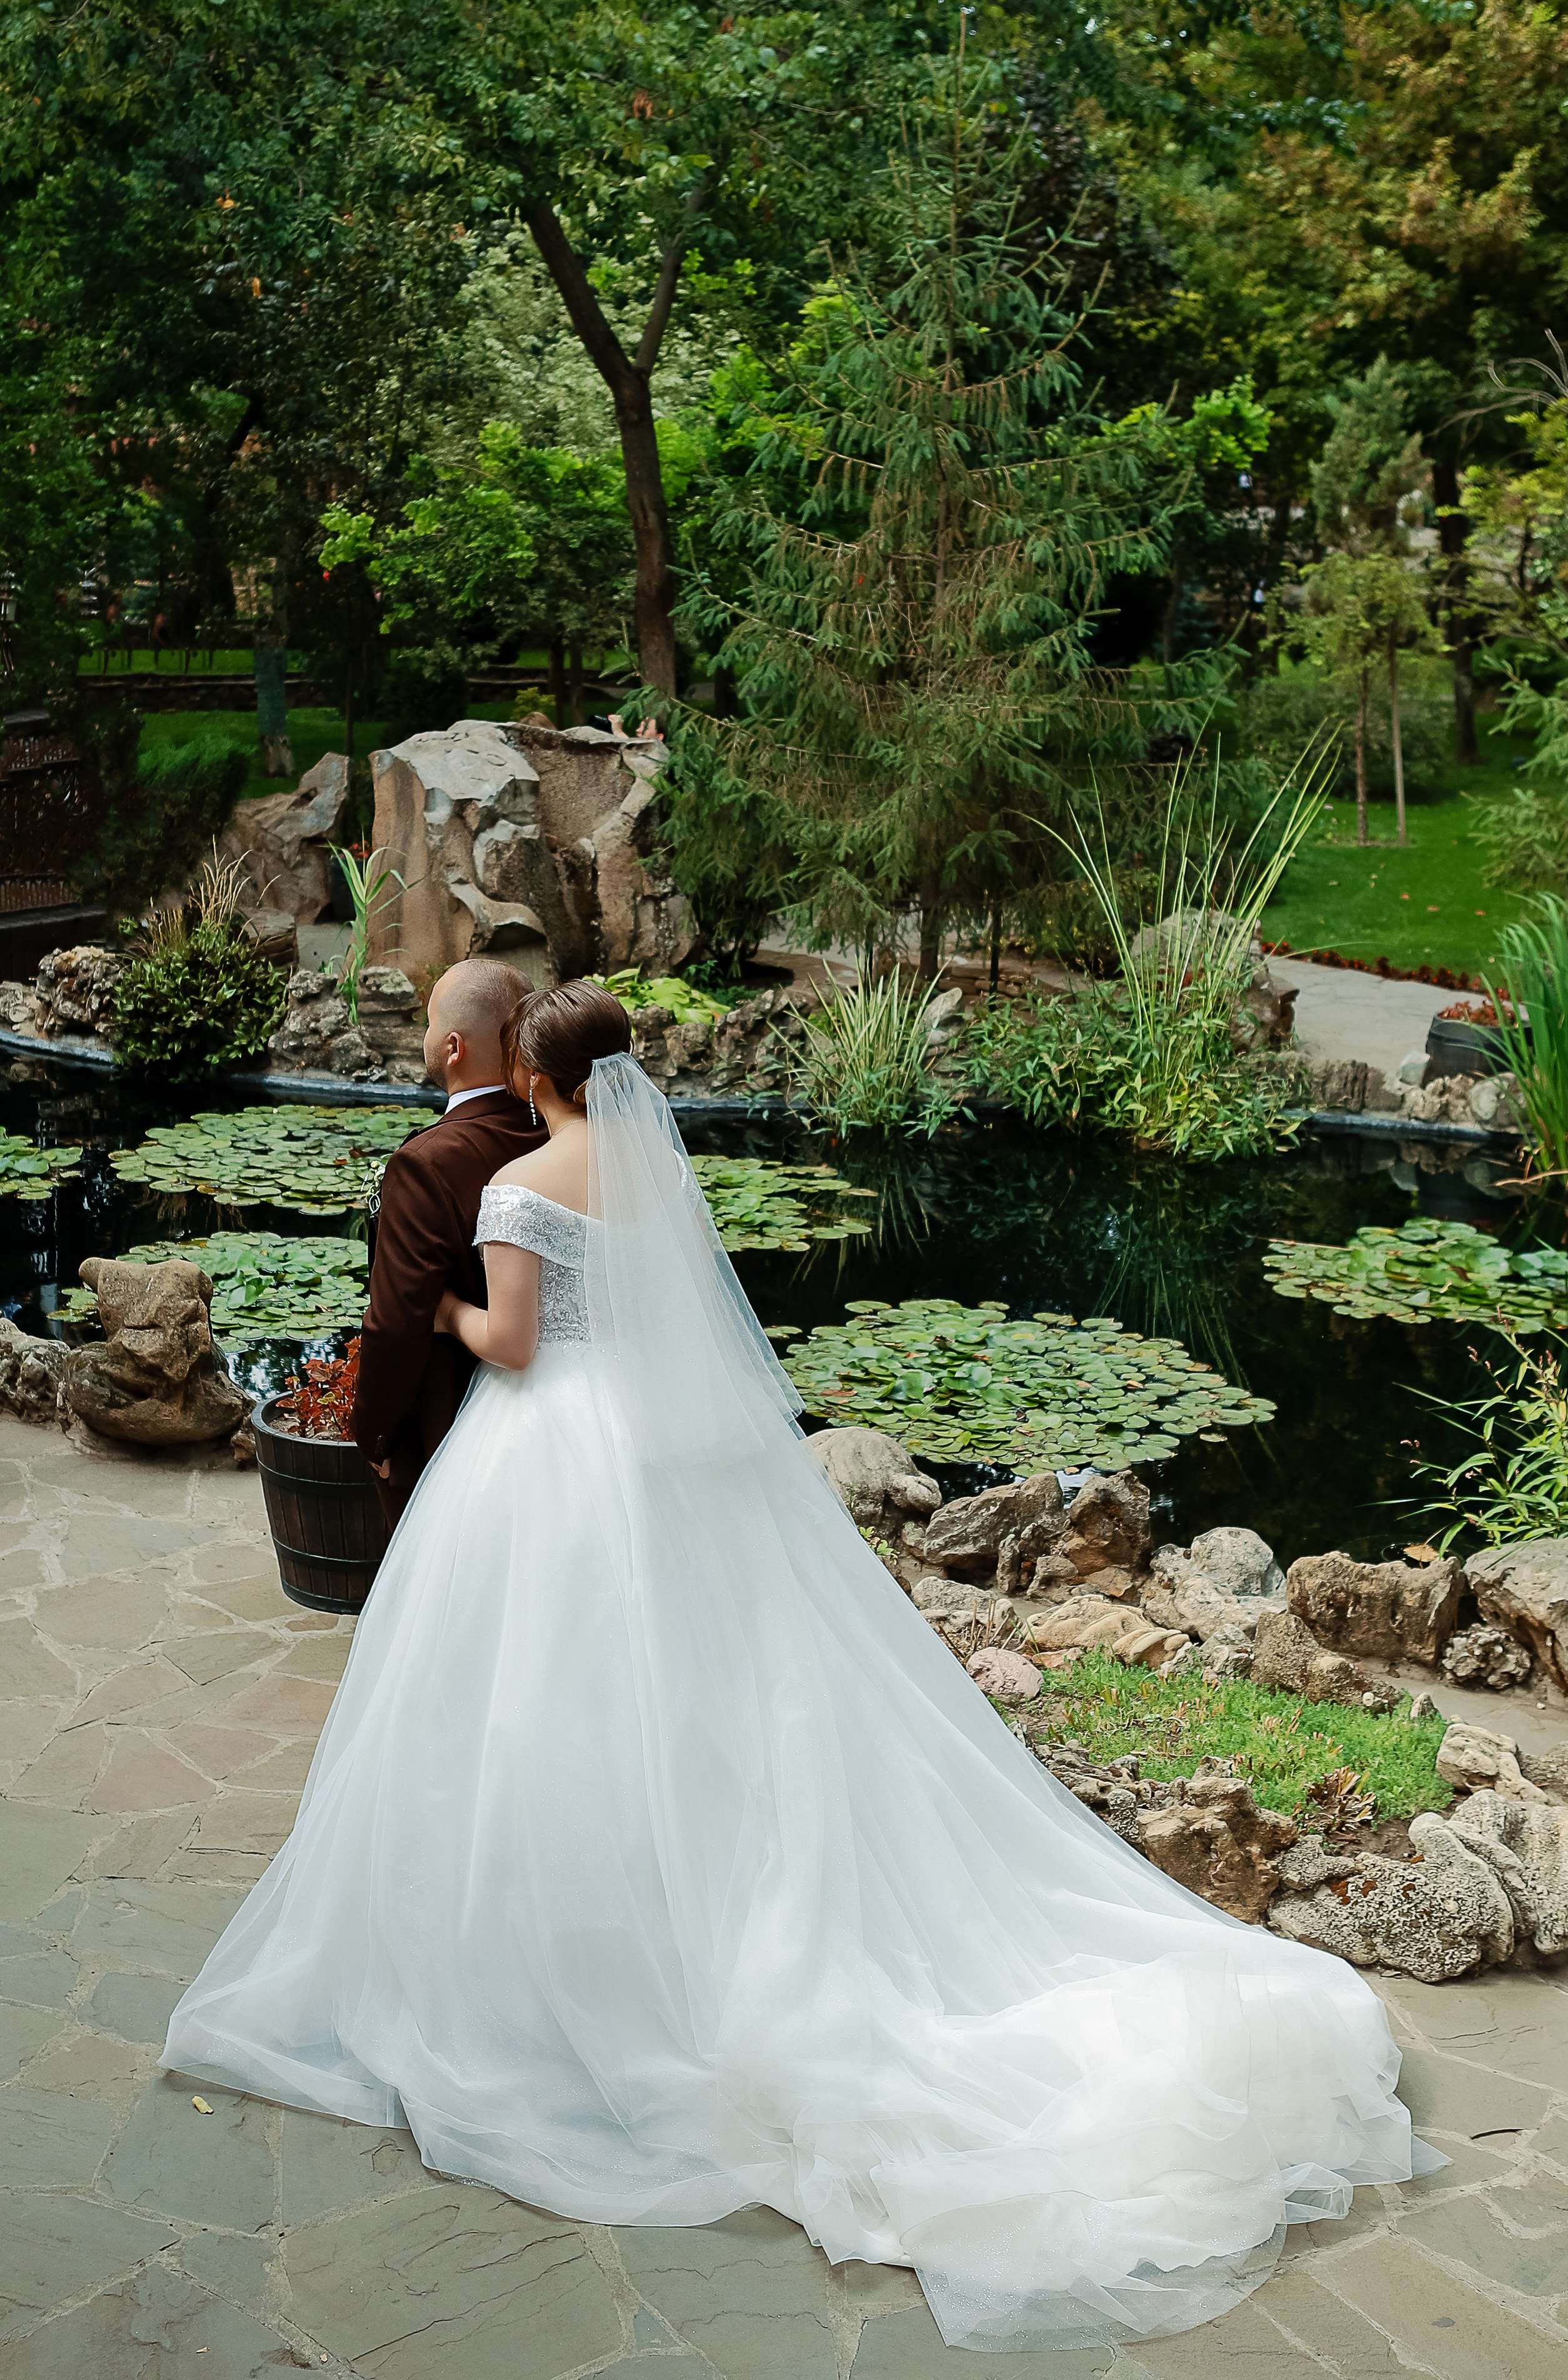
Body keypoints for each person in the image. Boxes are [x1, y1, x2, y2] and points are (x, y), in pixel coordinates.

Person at [163, 978, 1442, 2354]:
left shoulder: (519, 1186)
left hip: (545, 1457)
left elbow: (516, 1341)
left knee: (541, 1700)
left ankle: (555, 1941)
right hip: (665, 1468)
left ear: (528, 1079)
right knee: (700, 1687)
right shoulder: (651, 1176)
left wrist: (450, 1322)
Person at [352, 957, 544, 1528]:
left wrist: (375, 1431)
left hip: (450, 1427)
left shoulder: (426, 1163)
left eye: (429, 1023)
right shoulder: (562, 1133)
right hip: (565, 1409)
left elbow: (397, 1320)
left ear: (453, 1047)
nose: (425, 1036)